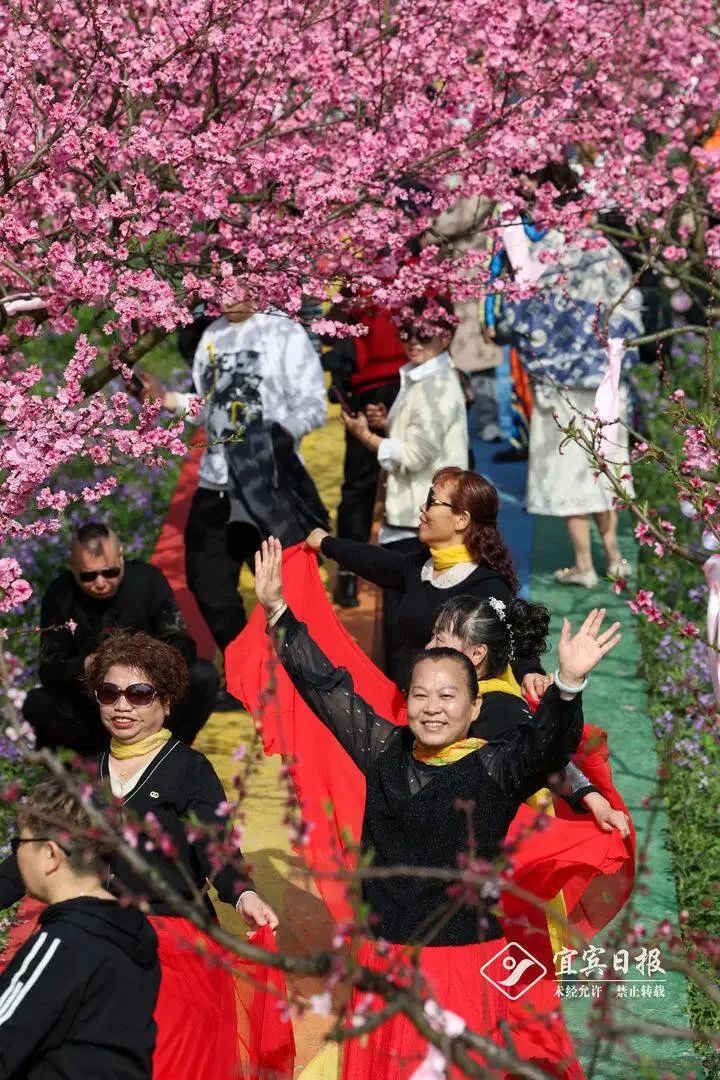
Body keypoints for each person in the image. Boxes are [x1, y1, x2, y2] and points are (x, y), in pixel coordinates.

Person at [254, 537, 622, 1078]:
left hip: (464, 969)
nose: (431, 708)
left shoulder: (495, 768)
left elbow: (548, 747)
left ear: (475, 705)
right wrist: (278, 612)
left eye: (448, 697)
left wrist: (568, 685)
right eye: (422, 695)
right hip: (385, 961)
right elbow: (325, 686)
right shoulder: (384, 750)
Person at [0, 630, 291, 1080]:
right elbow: (32, 856)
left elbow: (216, 849)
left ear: (166, 702)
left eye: (139, 694)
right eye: (110, 693)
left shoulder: (190, 770)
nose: (122, 706)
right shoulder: (83, 774)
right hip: (95, 934)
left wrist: (243, 894)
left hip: (175, 941)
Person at [139, 300, 328, 657]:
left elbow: (313, 404)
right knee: (206, 582)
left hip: (267, 484)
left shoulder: (282, 331)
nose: (228, 292)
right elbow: (207, 407)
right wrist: (168, 399)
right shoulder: (212, 333)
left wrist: (279, 436)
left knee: (287, 587)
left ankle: (301, 673)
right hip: (216, 482)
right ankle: (246, 664)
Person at [306, 466, 539, 687]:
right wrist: (327, 543)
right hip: (405, 701)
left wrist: (531, 673)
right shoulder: (422, 565)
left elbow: (515, 643)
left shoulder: (487, 586)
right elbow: (375, 561)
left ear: (461, 519)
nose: (422, 508)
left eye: (431, 501)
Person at [0, 779, 160, 1079]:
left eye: (19, 843)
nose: (17, 856)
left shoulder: (63, 943)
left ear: (50, 854)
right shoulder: (134, 932)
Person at [22, 522, 219, 752]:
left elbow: (183, 645)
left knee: (203, 675)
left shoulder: (147, 581)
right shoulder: (60, 594)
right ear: (73, 568)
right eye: (88, 576)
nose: (100, 583)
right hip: (91, 710)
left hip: (147, 700)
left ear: (121, 557)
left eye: (110, 572)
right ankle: (86, 770)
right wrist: (84, 666)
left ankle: (168, 755)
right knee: (37, 704)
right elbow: (49, 669)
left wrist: (146, 666)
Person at [324, 298, 405, 607]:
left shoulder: (418, 270)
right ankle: (349, 571)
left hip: (407, 381)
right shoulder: (354, 279)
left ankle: (409, 564)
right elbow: (330, 330)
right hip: (365, 387)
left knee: (416, 475)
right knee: (359, 484)